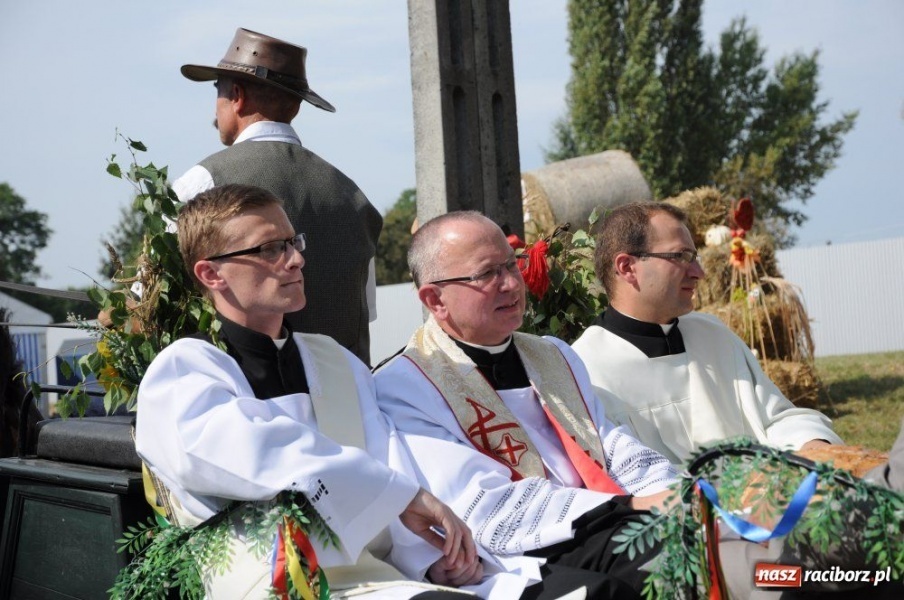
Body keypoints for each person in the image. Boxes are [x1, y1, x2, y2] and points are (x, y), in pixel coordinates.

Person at [134, 184, 481, 599]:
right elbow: (255, 448)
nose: (296, 259)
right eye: (269, 249)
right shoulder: (186, 370)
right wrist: (401, 496)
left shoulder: (335, 360)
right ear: (211, 273)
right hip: (266, 582)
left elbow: (391, 460)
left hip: (375, 574)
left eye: (293, 242)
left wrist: (431, 559)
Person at [374, 211, 680, 599]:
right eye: (487, 274)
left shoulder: (553, 354)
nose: (510, 284)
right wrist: (631, 506)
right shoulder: (405, 385)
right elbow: (484, 504)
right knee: (662, 558)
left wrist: (671, 491)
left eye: (511, 265)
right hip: (520, 550)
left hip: (607, 519)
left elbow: (607, 443)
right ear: (435, 300)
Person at [571, 202, 842, 466]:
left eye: (695, 257)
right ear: (627, 267)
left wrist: (812, 443)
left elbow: (776, 417)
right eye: (680, 257)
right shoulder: (586, 371)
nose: (699, 272)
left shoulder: (714, 336)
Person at [173, 28, 381, 365]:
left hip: (240, 397)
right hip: (347, 400)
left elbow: (153, 301)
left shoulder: (202, 182)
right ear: (297, 106)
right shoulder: (354, 196)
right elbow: (363, 312)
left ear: (236, 96)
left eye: (218, 93)